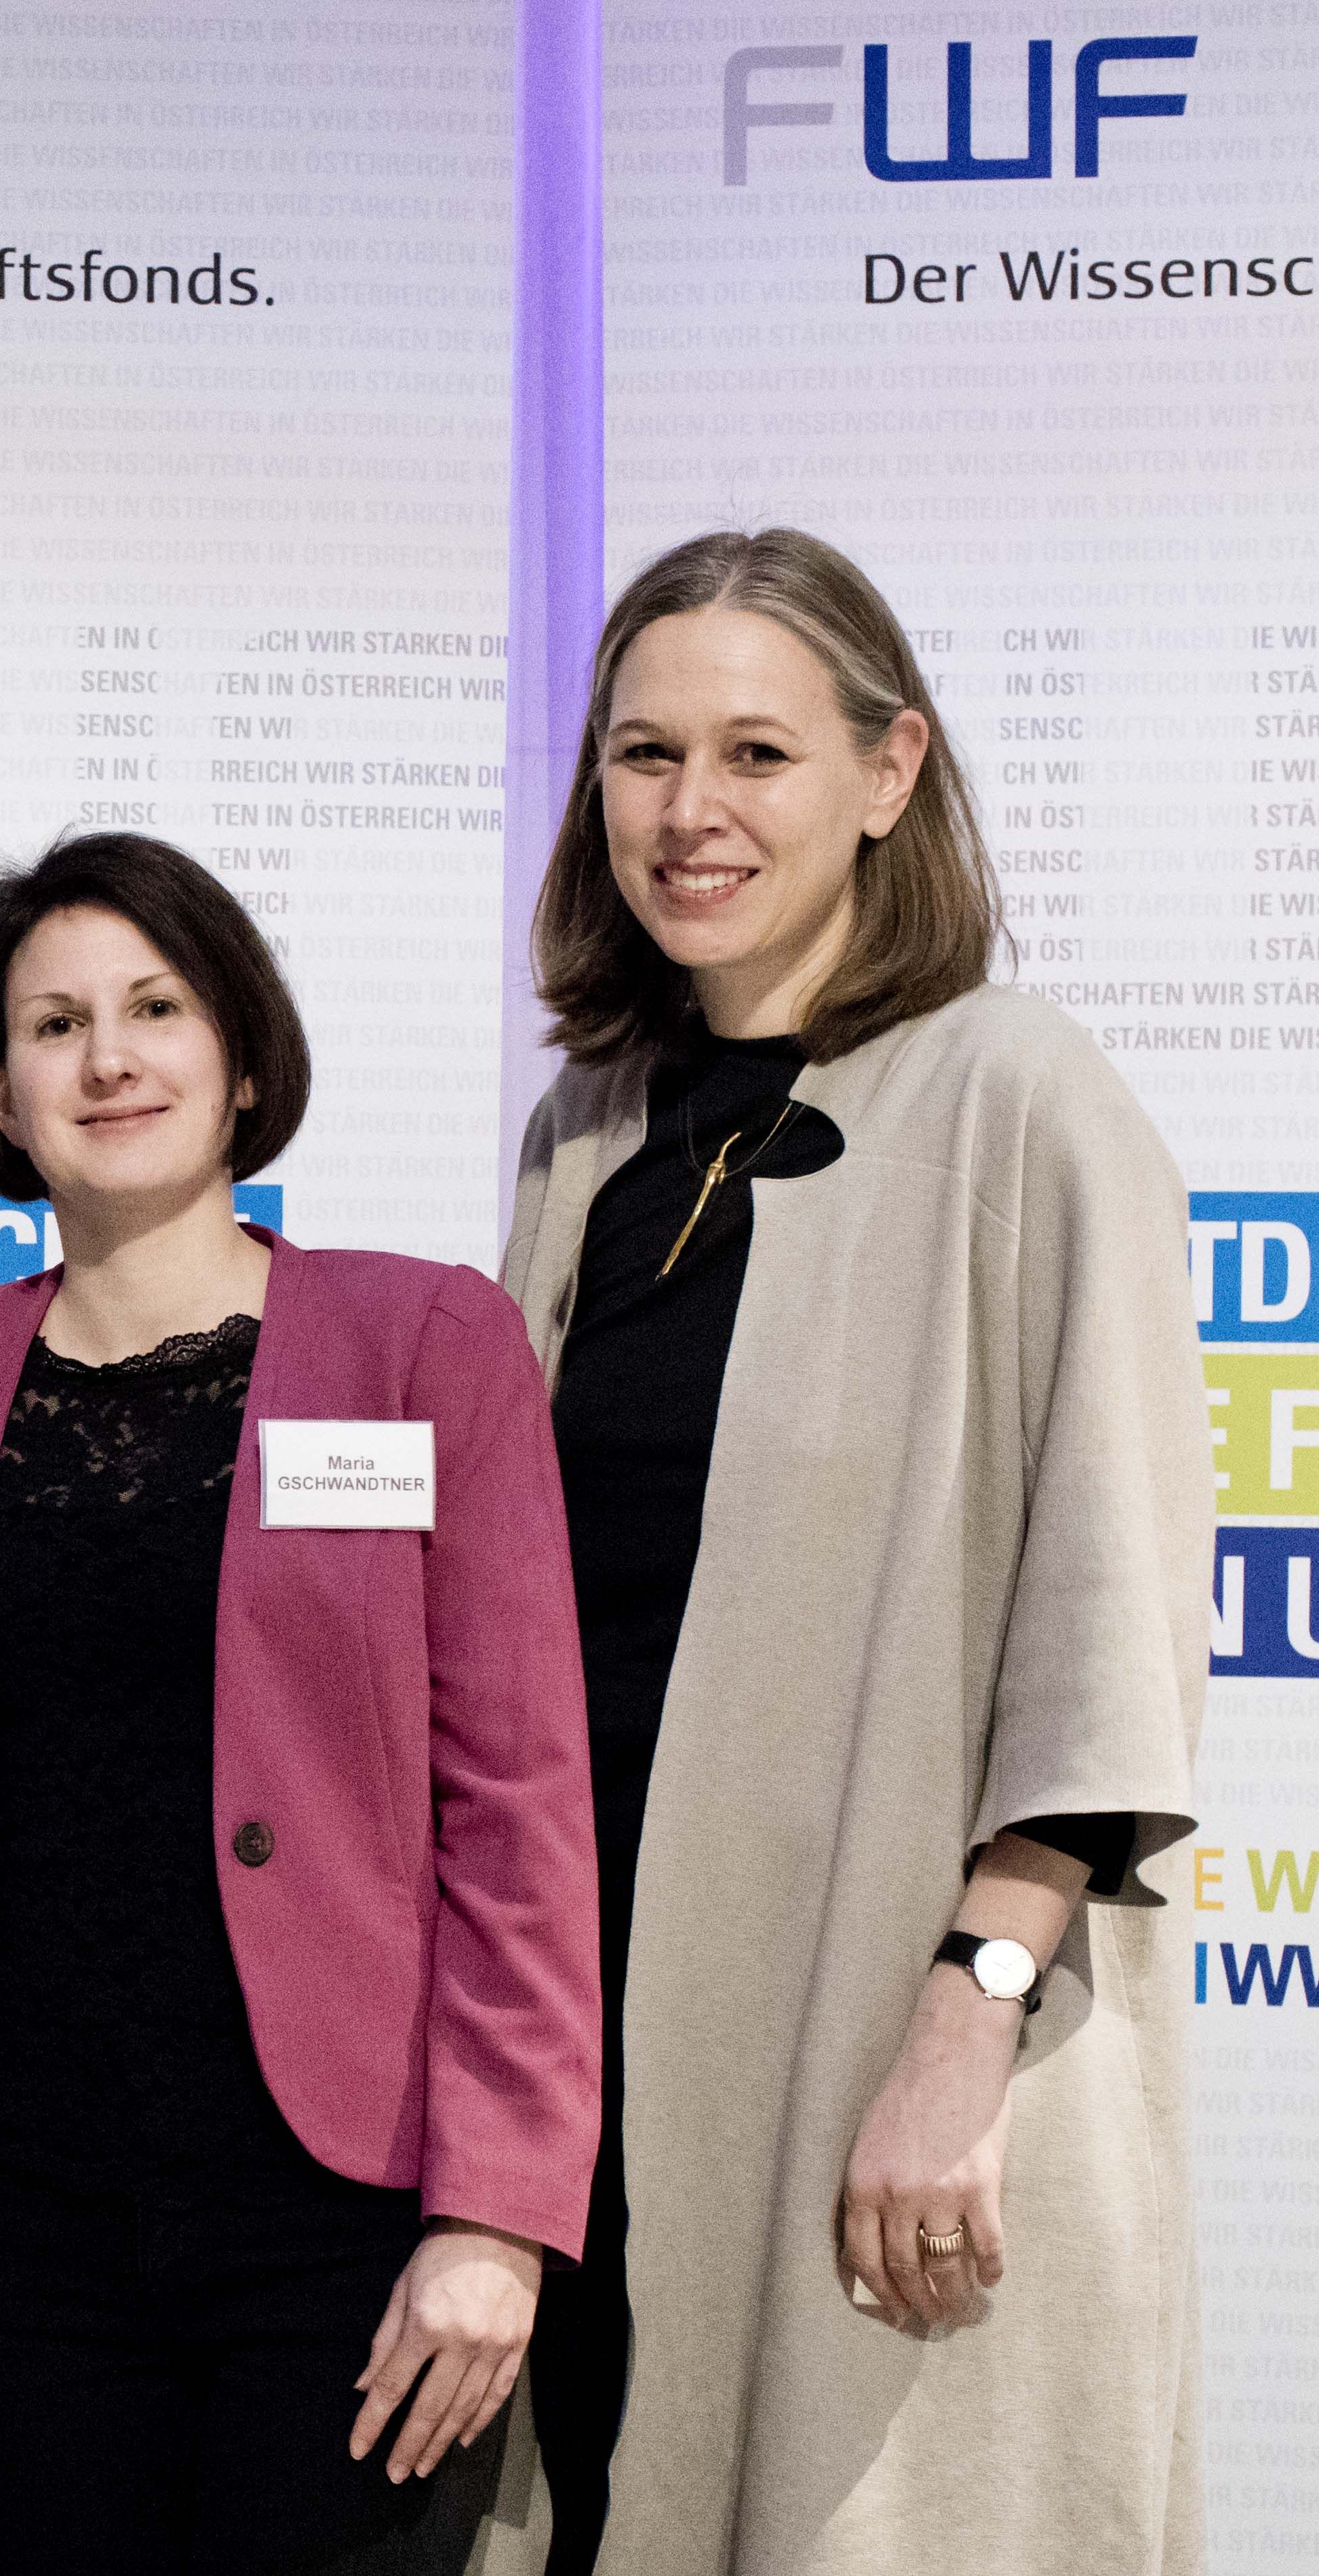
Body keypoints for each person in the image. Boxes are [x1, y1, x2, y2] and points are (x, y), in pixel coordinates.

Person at [504, 530, 1206, 2575]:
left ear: (890, 770)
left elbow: (1111, 1612)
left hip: (900, 2041)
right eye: (643, 755)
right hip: (611, 2039)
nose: (689, 813)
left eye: (755, 752)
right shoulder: (586, 1136)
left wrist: (964, 2015)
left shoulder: (1019, 1096)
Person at [0, 833, 598, 2574]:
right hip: (29, 2209)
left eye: (154, 1007)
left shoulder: (423, 1342)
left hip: (339, 2203)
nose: (107, 1058)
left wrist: (495, 2209)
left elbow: (515, 1804)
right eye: (52, 1024)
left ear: (241, 1055)